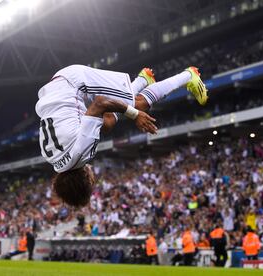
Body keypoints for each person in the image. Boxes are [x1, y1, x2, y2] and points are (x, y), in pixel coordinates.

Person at [35, 64, 208, 207]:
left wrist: (134, 115)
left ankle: (188, 75)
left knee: (138, 105)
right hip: (56, 88)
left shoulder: (82, 154)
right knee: (108, 123)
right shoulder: (54, 161)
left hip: (75, 82)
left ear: (86, 181)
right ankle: (143, 79)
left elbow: (99, 103)